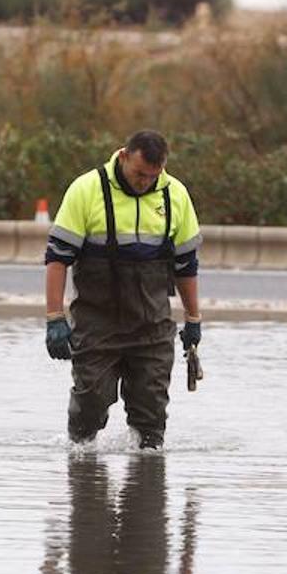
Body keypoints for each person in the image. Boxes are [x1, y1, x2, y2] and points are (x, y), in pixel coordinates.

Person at [43, 130, 202, 449]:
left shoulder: (175, 195)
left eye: (153, 176)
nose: (145, 182)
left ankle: (147, 487)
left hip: (153, 328)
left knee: (152, 417)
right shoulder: (86, 189)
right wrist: (54, 317)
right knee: (90, 404)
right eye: (139, 174)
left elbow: (186, 266)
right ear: (124, 156)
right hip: (96, 323)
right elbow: (57, 259)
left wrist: (194, 319)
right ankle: (81, 464)